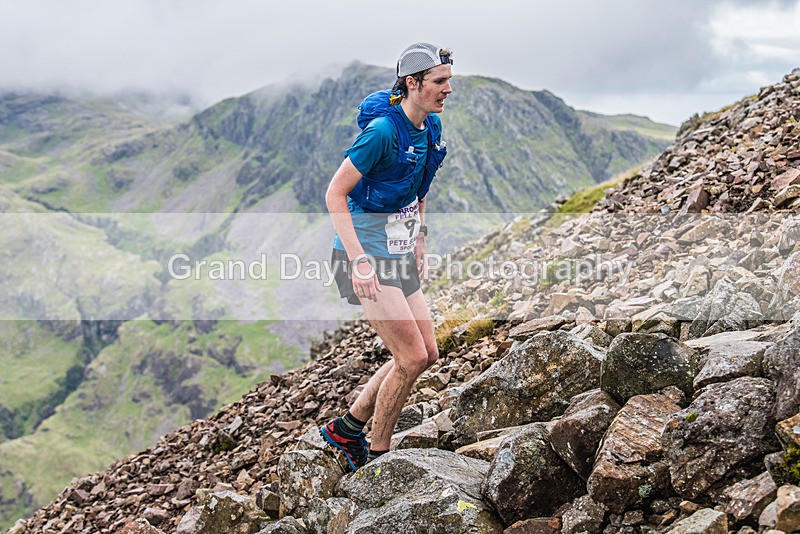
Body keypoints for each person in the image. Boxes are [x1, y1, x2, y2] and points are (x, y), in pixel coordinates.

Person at [320, 43, 453, 471]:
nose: (448, 89)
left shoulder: (429, 126)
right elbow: (334, 194)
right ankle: (376, 455)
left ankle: (347, 426)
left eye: (449, 80)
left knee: (427, 353)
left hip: (398, 249)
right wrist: (358, 261)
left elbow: (420, 181)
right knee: (411, 357)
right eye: (439, 82)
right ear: (412, 84)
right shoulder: (381, 132)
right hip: (364, 256)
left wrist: (421, 237)